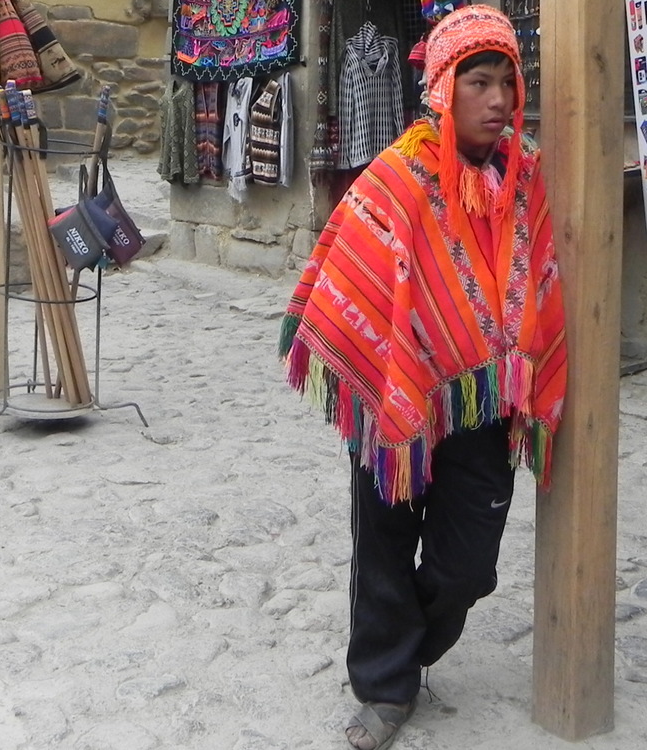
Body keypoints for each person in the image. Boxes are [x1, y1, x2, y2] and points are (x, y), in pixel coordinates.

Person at [278, 7, 567, 750]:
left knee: (468, 566)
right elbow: (347, 276)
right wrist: (382, 367)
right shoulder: (395, 179)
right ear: (443, 86)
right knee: (381, 542)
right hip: (394, 400)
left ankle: (408, 644)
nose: (499, 98)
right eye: (479, 81)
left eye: (508, 81)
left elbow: (537, 281)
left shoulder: (524, 175)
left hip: (482, 399)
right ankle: (383, 687)